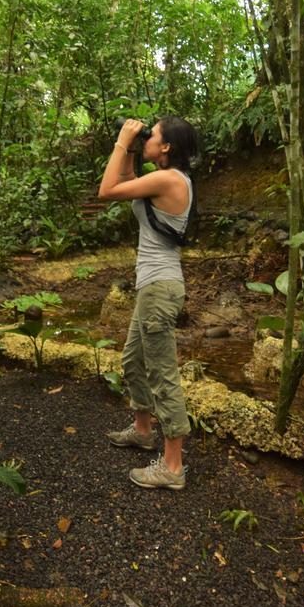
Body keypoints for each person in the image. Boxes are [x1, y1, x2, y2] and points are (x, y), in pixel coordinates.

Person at [97, 116, 199, 490]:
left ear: (168, 146)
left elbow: (107, 190)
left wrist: (123, 142)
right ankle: (143, 431)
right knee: (132, 360)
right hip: (152, 288)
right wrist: (135, 147)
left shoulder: (169, 179)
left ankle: (172, 468)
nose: (147, 138)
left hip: (161, 289)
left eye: (152, 135)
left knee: (162, 372)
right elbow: (124, 184)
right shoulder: (162, 179)